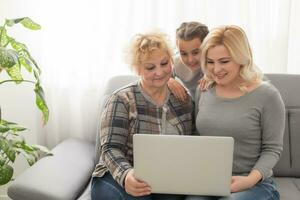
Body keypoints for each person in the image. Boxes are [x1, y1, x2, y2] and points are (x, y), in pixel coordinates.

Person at [91, 32, 194, 200]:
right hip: (115, 176)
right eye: (150, 67)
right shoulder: (121, 99)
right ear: (137, 69)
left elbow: (192, 145)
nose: (159, 72)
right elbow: (110, 149)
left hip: (165, 179)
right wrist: (127, 175)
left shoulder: (182, 100)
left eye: (164, 63)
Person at [186, 25, 285, 200]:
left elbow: (272, 149)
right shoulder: (204, 90)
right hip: (209, 181)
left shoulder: (268, 95)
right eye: (210, 62)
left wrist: (248, 181)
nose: (216, 69)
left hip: (255, 184)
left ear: (241, 58)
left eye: (224, 61)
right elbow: (196, 136)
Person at [167, 21, 209, 101]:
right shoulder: (176, 63)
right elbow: (161, 75)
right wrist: (169, 80)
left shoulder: (216, 62)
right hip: (194, 104)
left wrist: (212, 74)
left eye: (196, 52)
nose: (190, 60)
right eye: (183, 54)